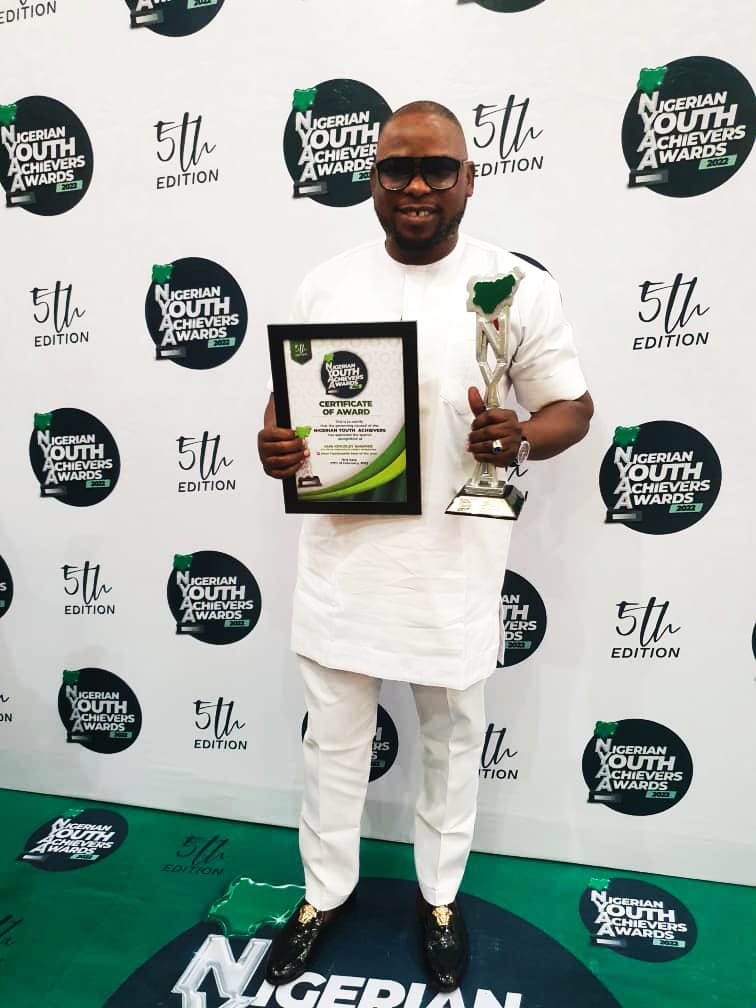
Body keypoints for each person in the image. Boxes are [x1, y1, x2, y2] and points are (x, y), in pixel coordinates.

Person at [257, 100, 593, 991]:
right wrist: (274, 444)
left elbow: (572, 409)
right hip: (343, 565)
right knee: (332, 747)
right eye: (395, 167)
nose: (415, 186)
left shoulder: (515, 287)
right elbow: (288, 406)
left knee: (451, 743)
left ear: (468, 179)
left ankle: (440, 898)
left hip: (454, 569)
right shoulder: (326, 285)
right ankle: (322, 895)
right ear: (371, 178)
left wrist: (519, 437)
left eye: (436, 168)